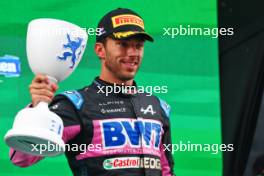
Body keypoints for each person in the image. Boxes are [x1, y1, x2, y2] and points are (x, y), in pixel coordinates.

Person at [9, 8, 175, 176]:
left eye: (138, 46)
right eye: (123, 44)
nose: (132, 53)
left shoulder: (157, 107)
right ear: (100, 50)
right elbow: (21, 157)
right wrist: (38, 109)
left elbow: (167, 170)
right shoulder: (75, 105)